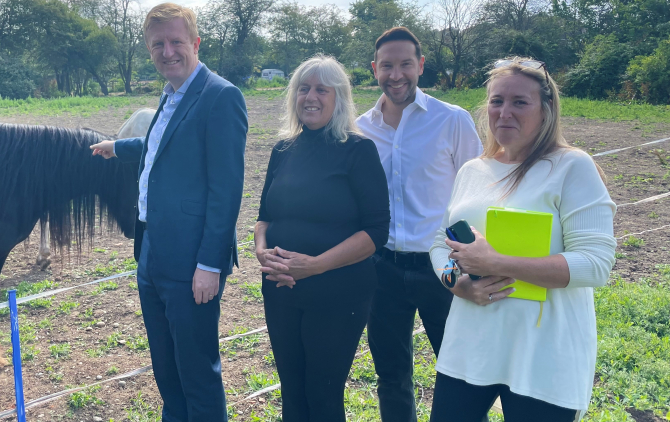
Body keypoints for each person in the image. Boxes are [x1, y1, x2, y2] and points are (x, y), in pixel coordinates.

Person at [428, 58, 616, 422]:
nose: (504, 112)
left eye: (519, 102)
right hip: (470, 347)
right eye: (497, 101)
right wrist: (456, 284)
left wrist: (495, 263)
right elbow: (440, 243)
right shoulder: (473, 170)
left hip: (544, 356)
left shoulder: (571, 167)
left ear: (546, 110)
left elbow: (595, 264)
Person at [90, 3, 247, 422]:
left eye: (177, 41)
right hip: (152, 252)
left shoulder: (220, 96)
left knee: (196, 372)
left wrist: (210, 264)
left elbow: (226, 190)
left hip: (192, 262)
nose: (168, 51)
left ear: (195, 43)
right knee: (166, 370)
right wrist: (118, 147)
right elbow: (161, 148)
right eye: (158, 44)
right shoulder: (171, 93)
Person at [355, 26, 482, 422]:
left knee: (460, 373)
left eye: (405, 64)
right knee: (391, 375)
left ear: (421, 65)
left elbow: (478, 196)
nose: (396, 75)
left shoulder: (452, 121)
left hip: (441, 264)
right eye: (387, 66)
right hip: (382, 267)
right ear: (375, 69)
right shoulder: (360, 129)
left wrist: (473, 265)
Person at [254, 55, 390, 422]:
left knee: (323, 395)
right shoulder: (283, 149)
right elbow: (264, 218)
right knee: (292, 392)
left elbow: (377, 232)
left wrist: (313, 266)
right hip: (281, 288)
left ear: (339, 98)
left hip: (337, 293)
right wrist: (262, 251)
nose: (310, 97)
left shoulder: (358, 150)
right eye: (303, 88)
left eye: (321, 90)